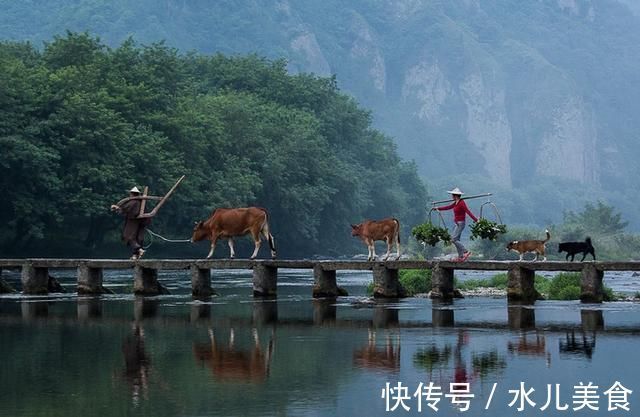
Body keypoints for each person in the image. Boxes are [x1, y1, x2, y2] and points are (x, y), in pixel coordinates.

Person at [436, 187, 477, 262]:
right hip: (457, 223)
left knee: (453, 239)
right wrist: (438, 208)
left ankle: (465, 251)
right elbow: (448, 207)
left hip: (461, 223)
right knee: (456, 239)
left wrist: (476, 220)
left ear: (455, 196)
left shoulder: (461, 203)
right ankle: (461, 257)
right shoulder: (455, 203)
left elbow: (468, 211)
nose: (451, 197)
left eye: (452, 195)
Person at [111, 187, 150, 260]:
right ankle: (135, 255)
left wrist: (116, 208)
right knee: (137, 238)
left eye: (130, 193)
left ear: (132, 194)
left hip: (133, 221)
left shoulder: (134, 202)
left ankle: (139, 250)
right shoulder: (141, 202)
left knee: (128, 236)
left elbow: (125, 209)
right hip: (140, 222)